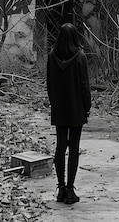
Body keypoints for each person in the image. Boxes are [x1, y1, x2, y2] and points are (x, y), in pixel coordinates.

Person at [46, 23, 91, 205]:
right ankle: (71, 190)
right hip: (76, 108)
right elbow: (84, 86)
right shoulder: (80, 57)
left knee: (60, 146)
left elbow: (49, 83)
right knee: (74, 147)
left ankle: (60, 188)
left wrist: (54, 103)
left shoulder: (51, 56)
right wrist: (86, 107)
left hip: (59, 107)